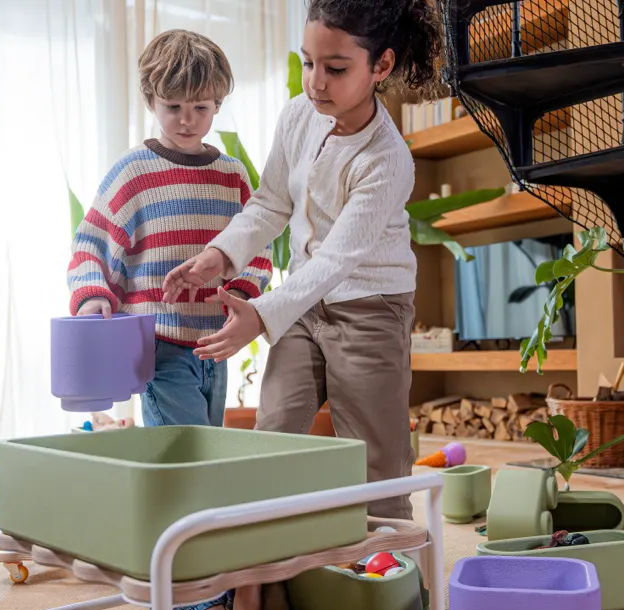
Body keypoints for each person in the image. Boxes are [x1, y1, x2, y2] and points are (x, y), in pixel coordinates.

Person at [162, 0, 445, 531]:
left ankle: (394, 597)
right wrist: (220, 255)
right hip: (302, 305)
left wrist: (261, 314)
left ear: (380, 67)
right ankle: (264, 590)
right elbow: (271, 203)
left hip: (369, 308)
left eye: (335, 68)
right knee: (274, 439)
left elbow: (339, 258)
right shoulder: (299, 114)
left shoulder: (387, 160)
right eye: (308, 62)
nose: (316, 81)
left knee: (376, 464)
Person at [66, 28, 272, 610]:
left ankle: (211, 578)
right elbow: (91, 243)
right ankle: (190, 594)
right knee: (184, 469)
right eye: (173, 107)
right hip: (155, 347)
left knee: (208, 465)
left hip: (216, 344)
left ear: (219, 104)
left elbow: (256, 245)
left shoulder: (233, 175)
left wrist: (244, 291)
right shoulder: (134, 172)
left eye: (201, 107)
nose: (187, 120)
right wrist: (92, 301)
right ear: (150, 102)